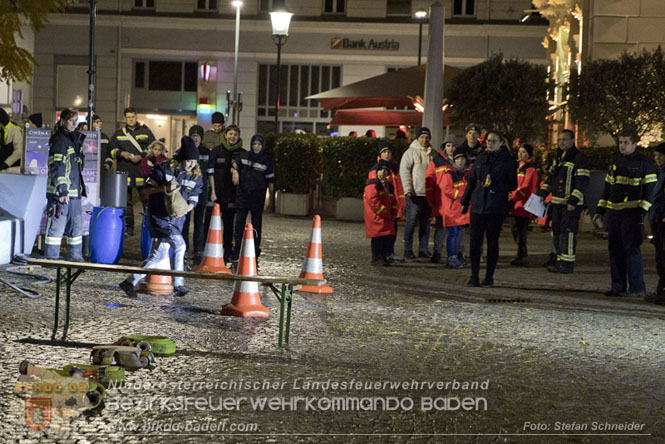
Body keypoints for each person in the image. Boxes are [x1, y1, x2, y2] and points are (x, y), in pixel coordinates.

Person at [119, 136, 203, 299]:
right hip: (159, 216)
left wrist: (185, 211)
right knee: (181, 246)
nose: (191, 165)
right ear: (181, 159)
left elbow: (195, 198)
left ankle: (129, 282)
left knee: (158, 254)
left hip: (177, 219)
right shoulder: (164, 168)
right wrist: (165, 187)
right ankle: (179, 284)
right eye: (188, 161)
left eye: (194, 162)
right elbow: (147, 190)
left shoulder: (196, 175)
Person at [595, 129, 657, 299]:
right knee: (614, 250)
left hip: (632, 214)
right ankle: (618, 287)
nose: (622, 146)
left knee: (631, 250)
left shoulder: (645, 163)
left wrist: (642, 211)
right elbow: (607, 188)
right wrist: (599, 211)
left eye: (626, 143)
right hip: (614, 214)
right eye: (620, 142)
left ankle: (637, 288)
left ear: (635, 144)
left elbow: (650, 190)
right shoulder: (615, 162)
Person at [460, 132, 517, 287]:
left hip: (495, 206)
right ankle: (474, 276)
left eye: (493, 141)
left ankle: (489, 277)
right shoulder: (481, 157)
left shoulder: (508, 161)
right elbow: (471, 180)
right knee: (474, 242)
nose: (489, 144)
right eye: (488, 141)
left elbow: (513, 184)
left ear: (501, 143)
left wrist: (496, 185)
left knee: (492, 242)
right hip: (478, 204)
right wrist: (464, 201)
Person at [536, 129, 589, 274]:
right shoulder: (559, 158)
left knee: (568, 233)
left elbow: (582, 182)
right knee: (558, 232)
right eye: (559, 140)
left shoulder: (578, 158)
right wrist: (543, 193)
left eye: (564, 140)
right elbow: (551, 179)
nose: (561, 142)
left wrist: (573, 200)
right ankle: (559, 260)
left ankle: (567, 263)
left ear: (572, 141)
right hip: (557, 203)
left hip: (570, 205)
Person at [44, 108, 87, 261]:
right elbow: (57, 166)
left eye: (76, 120)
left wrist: (80, 188)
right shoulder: (60, 140)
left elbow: (76, 169)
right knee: (56, 229)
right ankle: (51, 259)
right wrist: (62, 190)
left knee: (76, 229)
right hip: (61, 194)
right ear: (62, 122)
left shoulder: (74, 140)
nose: (75, 123)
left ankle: (75, 258)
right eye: (71, 120)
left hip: (74, 193)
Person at [109, 107, 156, 235]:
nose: (131, 119)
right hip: (125, 172)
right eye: (128, 117)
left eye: (133, 117)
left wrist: (141, 156)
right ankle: (129, 228)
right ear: (125, 119)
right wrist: (121, 153)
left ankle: (149, 227)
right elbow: (111, 149)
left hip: (142, 172)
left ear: (136, 117)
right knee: (126, 202)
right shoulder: (118, 134)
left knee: (146, 201)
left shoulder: (146, 132)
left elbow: (154, 148)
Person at [232, 134, 275, 262]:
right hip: (242, 195)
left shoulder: (267, 160)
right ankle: (237, 250)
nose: (256, 147)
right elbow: (234, 165)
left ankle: (254, 251)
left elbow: (271, 181)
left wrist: (271, 200)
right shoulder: (244, 156)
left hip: (258, 196)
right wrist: (234, 172)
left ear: (263, 146)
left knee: (256, 224)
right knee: (239, 224)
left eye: (259, 144)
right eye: (254, 144)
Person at [208, 125, 245, 260]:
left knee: (229, 224)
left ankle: (228, 250)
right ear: (225, 135)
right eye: (230, 134)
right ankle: (211, 249)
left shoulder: (242, 153)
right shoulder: (217, 151)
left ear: (238, 136)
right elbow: (210, 172)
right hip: (217, 193)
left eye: (235, 134)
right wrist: (212, 191)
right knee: (212, 223)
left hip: (233, 195)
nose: (232, 137)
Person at [399, 127, 434, 259]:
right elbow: (404, 171)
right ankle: (408, 249)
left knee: (426, 223)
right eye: (422, 137)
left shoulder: (433, 153)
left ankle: (423, 249)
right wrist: (408, 189)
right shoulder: (410, 152)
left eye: (427, 137)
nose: (424, 140)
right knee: (411, 222)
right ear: (417, 138)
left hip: (428, 194)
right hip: (414, 193)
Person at [367, 141, 405, 262]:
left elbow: (398, 186)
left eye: (389, 151)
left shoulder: (393, 168)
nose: (387, 154)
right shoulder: (376, 169)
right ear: (380, 154)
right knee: (381, 234)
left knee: (392, 231)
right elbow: (374, 194)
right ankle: (380, 255)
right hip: (383, 209)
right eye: (384, 152)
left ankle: (389, 252)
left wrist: (399, 205)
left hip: (391, 205)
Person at [425, 134, 457, 264]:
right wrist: (430, 199)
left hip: (454, 202)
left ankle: (456, 253)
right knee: (440, 228)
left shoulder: (460, 160)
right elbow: (430, 179)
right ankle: (437, 252)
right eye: (448, 145)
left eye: (453, 145)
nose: (451, 148)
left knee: (455, 230)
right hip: (441, 202)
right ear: (444, 146)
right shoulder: (437, 160)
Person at [182, 125, 212, 263]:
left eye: (198, 136)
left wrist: (213, 191)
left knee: (199, 221)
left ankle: (198, 250)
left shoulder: (206, 152)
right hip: (186, 190)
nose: (195, 138)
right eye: (193, 135)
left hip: (202, 190)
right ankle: (184, 248)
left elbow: (211, 173)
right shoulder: (183, 151)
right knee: (185, 220)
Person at [438, 146, 470, 268]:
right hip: (452, 210)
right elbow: (447, 190)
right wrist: (464, 196)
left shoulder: (464, 174)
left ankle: (455, 256)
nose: (460, 161)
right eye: (458, 159)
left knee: (457, 234)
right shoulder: (450, 174)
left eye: (462, 158)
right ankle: (451, 258)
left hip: (459, 210)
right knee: (454, 234)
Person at [509, 144, 539, 266]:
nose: (520, 154)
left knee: (521, 231)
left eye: (524, 152)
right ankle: (521, 254)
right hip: (515, 204)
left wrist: (513, 197)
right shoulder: (516, 167)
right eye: (519, 152)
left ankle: (522, 255)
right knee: (515, 229)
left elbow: (526, 187)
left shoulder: (530, 169)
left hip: (523, 204)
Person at [364, 164, 397, 266]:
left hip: (383, 217)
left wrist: (393, 212)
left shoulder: (387, 185)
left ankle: (382, 257)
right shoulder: (373, 185)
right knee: (378, 238)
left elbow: (393, 201)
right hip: (377, 217)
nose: (383, 172)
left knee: (385, 238)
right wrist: (387, 212)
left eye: (385, 170)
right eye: (381, 170)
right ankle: (376, 257)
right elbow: (373, 202)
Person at [647, 142, 665, 305]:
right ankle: (661, 290)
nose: (657, 158)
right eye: (655, 155)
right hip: (657, 219)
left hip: (662, 219)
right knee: (660, 256)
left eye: (660, 155)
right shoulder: (659, 173)